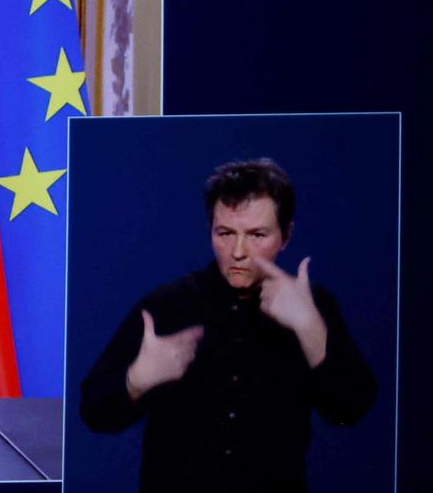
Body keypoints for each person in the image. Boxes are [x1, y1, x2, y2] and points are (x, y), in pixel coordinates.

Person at [80, 159, 376, 491]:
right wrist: (136, 380)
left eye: (257, 235)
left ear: (286, 236)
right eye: (225, 233)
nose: (238, 251)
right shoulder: (167, 306)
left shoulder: (313, 306)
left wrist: (309, 329)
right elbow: (93, 410)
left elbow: (351, 408)